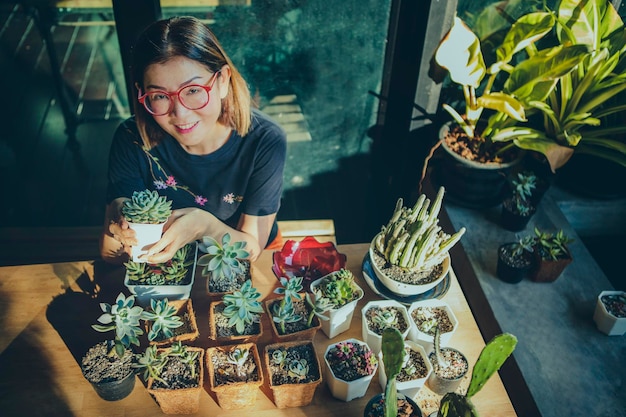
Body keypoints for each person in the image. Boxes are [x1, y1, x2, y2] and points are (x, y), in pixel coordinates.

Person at [100, 16, 287, 265]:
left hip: (243, 256)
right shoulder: (131, 139)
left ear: (222, 81)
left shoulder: (265, 140)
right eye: (159, 95)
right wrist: (119, 218)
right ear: (142, 93)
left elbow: (251, 248)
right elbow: (108, 256)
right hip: (168, 263)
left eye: (193, 90)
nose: (180, 113)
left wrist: (205, 227)